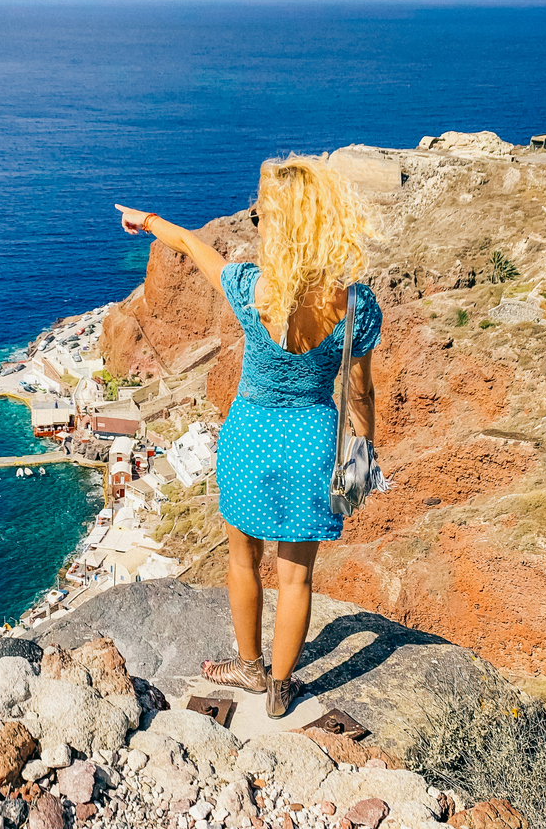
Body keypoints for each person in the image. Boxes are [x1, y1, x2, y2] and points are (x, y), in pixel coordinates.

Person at [115, 155, 382, 718]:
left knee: (243, 561)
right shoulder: (355, 304)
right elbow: (359, 394)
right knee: (297, 576)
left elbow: (195, 246)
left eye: (263, 219)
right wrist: (366, 446)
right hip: (312, 444)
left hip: (250, 437)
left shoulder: (249, 288)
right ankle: (282, 690)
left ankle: (249, 667)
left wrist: (148, 221)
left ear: (279, 229)